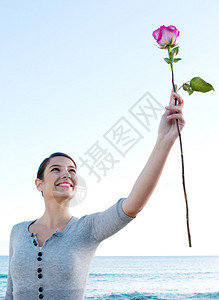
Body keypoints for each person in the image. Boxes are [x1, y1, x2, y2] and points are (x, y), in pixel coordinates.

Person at [5, 89, 185, 300]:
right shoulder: (17, 232)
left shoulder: (87, 230)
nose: (67, 174)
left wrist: (165, 140)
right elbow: (10, 292)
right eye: (56, 169)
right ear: (39, 184)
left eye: (72, 171)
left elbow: (132, 205)